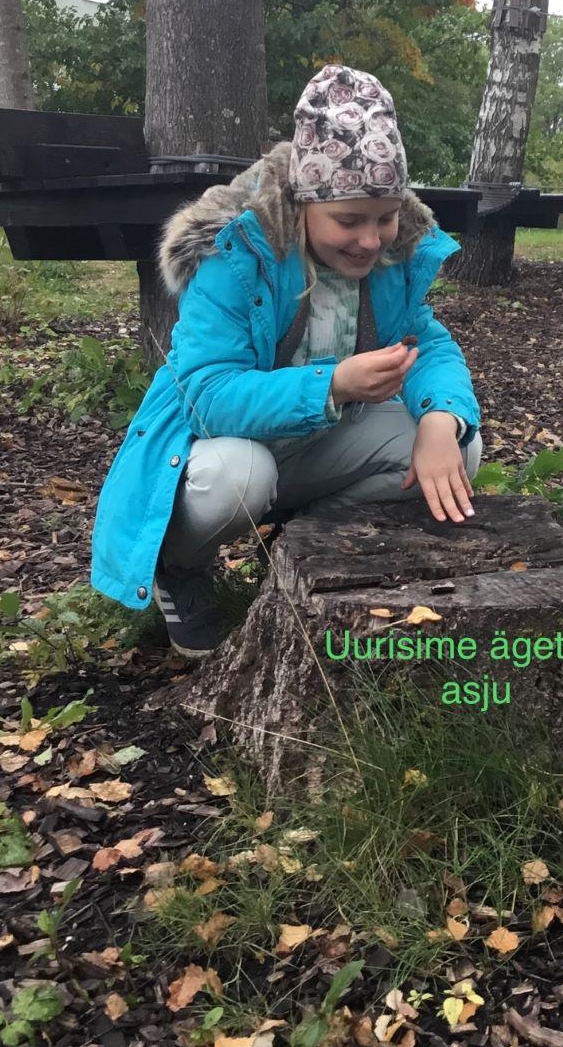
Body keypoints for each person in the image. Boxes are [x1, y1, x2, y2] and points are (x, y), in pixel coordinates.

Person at [89, 63, 482, 656]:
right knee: (239, 476)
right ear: (303, 203)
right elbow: (209, 397)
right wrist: (334, 385)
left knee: (459, 446)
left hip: (314, 443)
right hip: (218, 445)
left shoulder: (390, 255)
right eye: (348, 220)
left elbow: (425, 343)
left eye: (385, 217)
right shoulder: (235, 251)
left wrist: (439, 418)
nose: (371, 240)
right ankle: (180, 568)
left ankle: (299, 542)